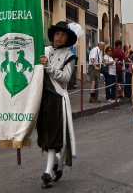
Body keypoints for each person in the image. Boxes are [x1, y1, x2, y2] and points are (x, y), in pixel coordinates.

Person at [37, 21, 81, 189]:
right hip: (42, 97)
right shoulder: (45, 50)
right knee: (46, 134)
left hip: (58, 98)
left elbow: (65, 78)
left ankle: (47, 173)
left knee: (55, 136)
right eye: (57, 34)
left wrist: (48, 66)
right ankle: (57, 164)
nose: (59, 36)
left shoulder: (70, 56)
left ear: (67, 38)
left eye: (62, 34)